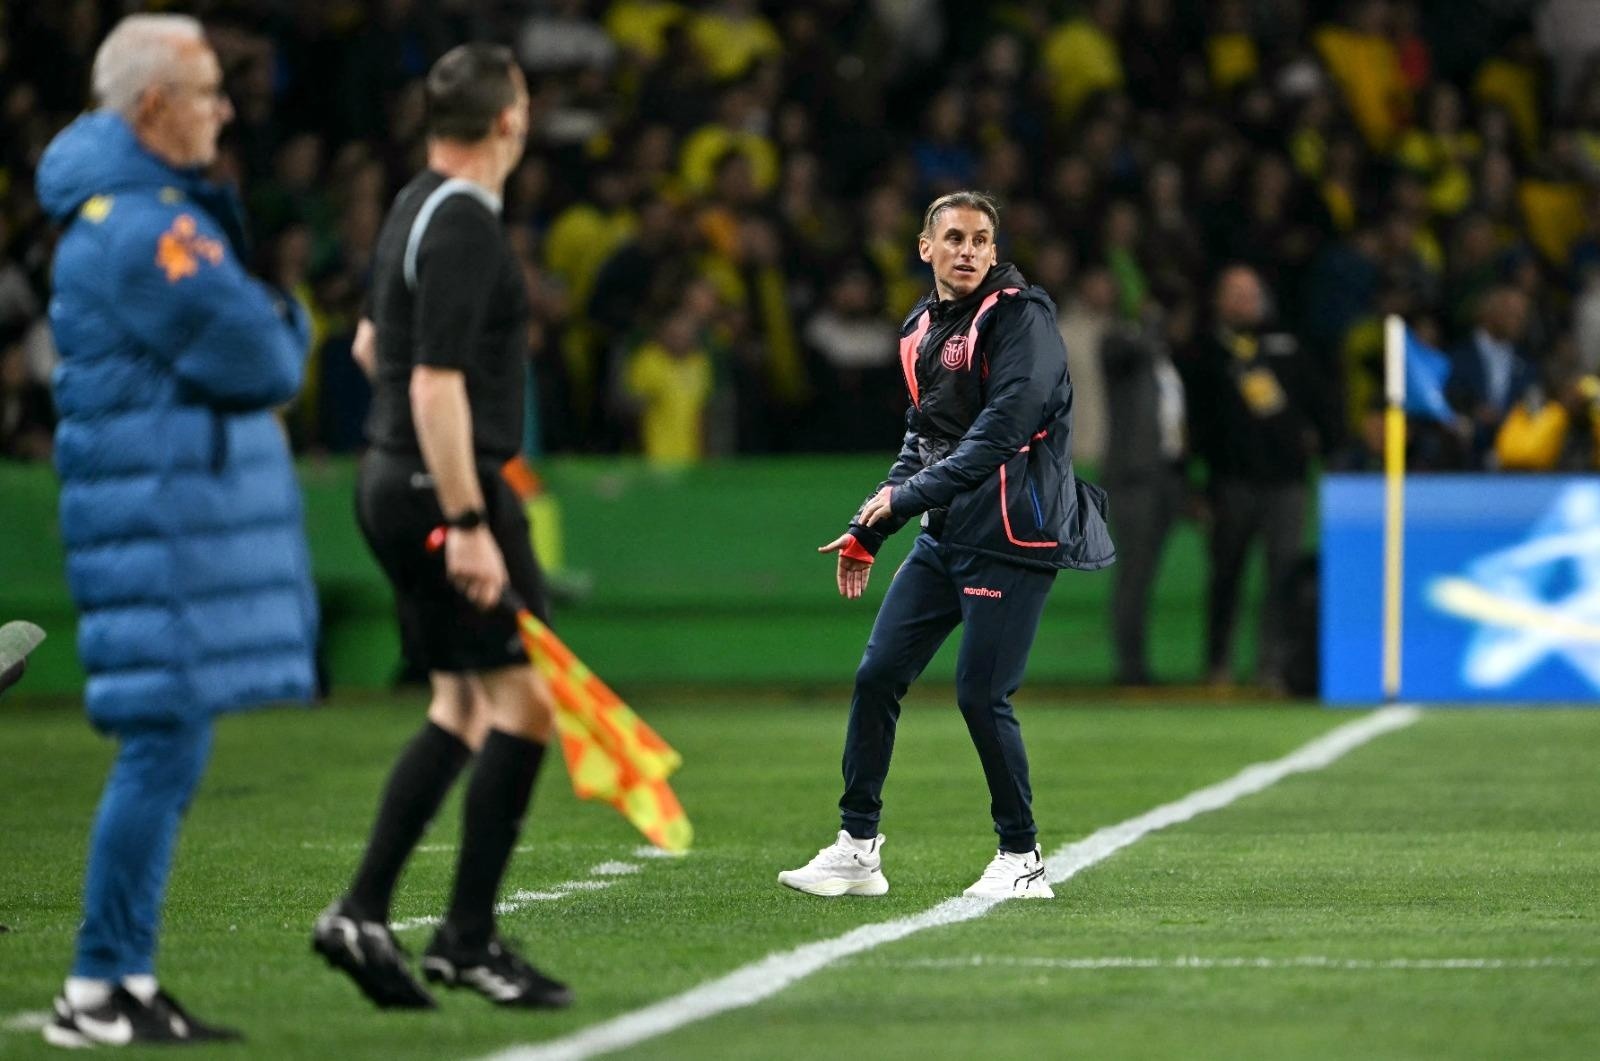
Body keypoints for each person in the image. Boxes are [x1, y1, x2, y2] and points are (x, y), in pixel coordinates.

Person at [34, 14, 317, 1046]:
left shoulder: (125, 216)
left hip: (156, 526)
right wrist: (290, 317)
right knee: (158, 748)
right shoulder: (144, 226)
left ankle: (119, 977)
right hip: (154, 531)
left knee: (168, 747)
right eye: (207, 93)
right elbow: (261, 356)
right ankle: (99, 985)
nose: (225, 111)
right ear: (153, 107)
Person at [311, 43, 571, 1011]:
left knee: (464, 706)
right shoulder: (464, 222)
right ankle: (464, 936)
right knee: (529, 699)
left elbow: (374, 339)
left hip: (395, 479)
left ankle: (365, 910)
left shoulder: (413, 202)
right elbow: (428, 377)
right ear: (510, 119)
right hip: (441, 490)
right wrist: (467, 519)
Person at [779, 191, 1114, 901]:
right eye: (955, 237)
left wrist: (906, 498)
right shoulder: (921, 327)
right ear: (925, 248)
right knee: (877, 675)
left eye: (982, 239)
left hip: (1013, 534)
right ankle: (857, 846)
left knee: (980, 692)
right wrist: (874, 526)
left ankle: (1021, 855)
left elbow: (1001, 434)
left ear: (995, 251)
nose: (968, 250)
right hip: (947, 533)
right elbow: (923, 440)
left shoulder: (1023, 320)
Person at [1185, 265, 1327, 690]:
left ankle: (1274, 666)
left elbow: (1319, 401)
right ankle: (1218, 665)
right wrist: (1200, 483)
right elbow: (1196, 422)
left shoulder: (1288, 346)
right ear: (1218, 301)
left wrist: (1322, 439)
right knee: (1226, 574)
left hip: (1287, 483)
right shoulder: (1205, 352)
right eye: (1234, 293)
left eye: (1250, 293)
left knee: (1282, 577)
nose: (1243, 302)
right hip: (1231, 482)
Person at [1101, 292, 1194, 686]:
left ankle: (1138, 663)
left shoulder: (1164, 365)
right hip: (1134, 479)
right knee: (1134, 576)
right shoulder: (1125, 351)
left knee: (1146, 574)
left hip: (1165, 477)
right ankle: (1131, 667)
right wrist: (1149, 324)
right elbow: (1119, 353)